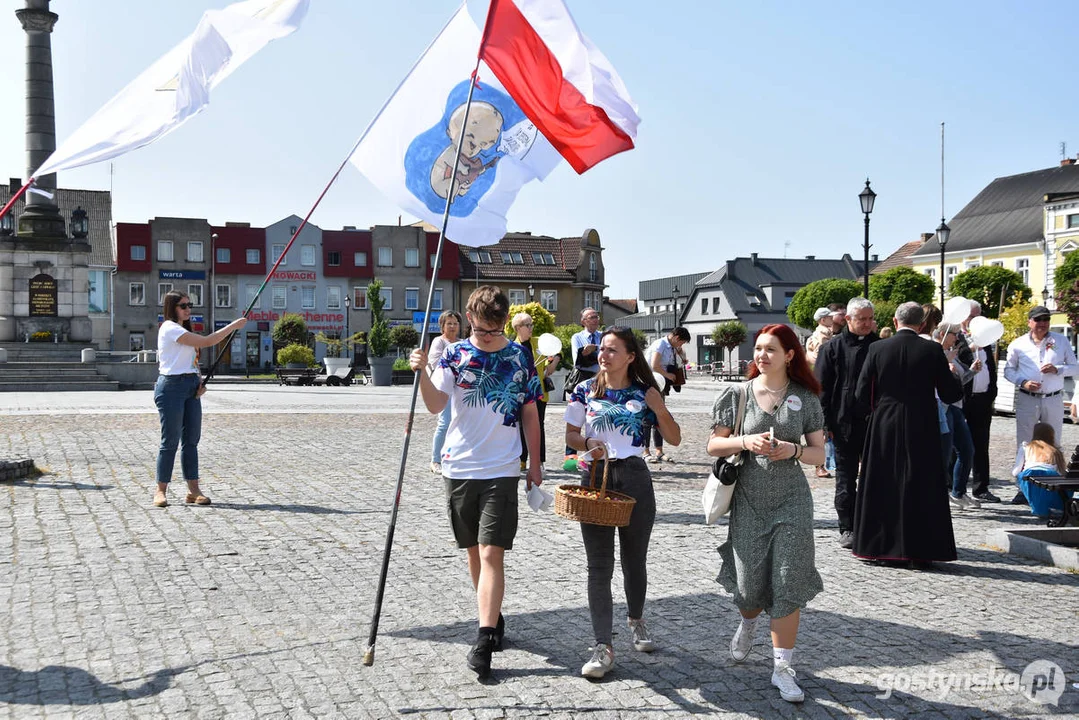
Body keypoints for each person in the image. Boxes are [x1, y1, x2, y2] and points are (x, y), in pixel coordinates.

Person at [409, 286, 542, 679]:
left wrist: (534, 464)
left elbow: (530, 413)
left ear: (504, 322)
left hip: (502, 467)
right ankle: (493, 616)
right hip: (459, 467)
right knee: (472, 550)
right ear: (470, 318)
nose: (486, 338)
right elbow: (436, 405)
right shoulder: (454, 353)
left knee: (490, 553)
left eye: (493, 331)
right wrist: (421, 374)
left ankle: (484, 639)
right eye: (481, 330)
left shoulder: (519, 356)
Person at [707, 323, 826, 704]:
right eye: (758, 348)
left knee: (788, 582)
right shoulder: (737, 393)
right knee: (748, 587)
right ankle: (747, 622)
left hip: (792, 501)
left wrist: (791, 450)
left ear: (789, 354)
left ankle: (782, 668)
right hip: (749, 501)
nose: (761, 355)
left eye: (770, 349)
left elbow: (819, 454)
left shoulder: (805, 398)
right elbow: (714, 445)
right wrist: (745, 441)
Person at [564, 327, 681, 680]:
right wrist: (588, 444)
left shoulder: (645, 392)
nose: (604, 354)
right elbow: (569, 436)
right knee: (598, 566)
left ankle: (636, 619)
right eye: (602, 349)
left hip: (634, 477)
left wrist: (659, 409)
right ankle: (603, 645)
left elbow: (674, 439)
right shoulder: (584, 390)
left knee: (634, 560)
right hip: (595, 478)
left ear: (630, 356)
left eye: (612, 350)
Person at [853, 302, 962, 566]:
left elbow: (861, 393)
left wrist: (877, 410)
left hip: (885, 422)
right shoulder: (933, 350)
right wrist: (953, 375)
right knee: (921, 484)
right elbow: (951, 393)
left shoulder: (877, 348)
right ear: (922, 324)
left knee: (883, 482)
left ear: (895, 319)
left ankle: (879, 547)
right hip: (921, 422)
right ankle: (921, 550)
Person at [153, 291, 247, 508]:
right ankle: (160, 490)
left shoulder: (184, 329)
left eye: (189, 305)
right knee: (170, 442)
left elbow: (192, 360)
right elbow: (207, 342)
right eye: (183, 305)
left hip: (189, 386)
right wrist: (232, 326)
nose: (188, 309)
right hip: (171, 387)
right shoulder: (169, 328)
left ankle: (193, 491)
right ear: (172, 307)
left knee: (191, 441)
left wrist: (199, 382)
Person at [814, 297, 878, 548]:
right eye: (862, 319)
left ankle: (872, 523)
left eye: (870, 318)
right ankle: (847, 526)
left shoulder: (880, 346)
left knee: (874, 477)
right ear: (848, 319)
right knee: (845, 478)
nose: (867, 323)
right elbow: (822, 387)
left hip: (874, 422)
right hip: (843, 423)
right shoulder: (832, 348)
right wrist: (823, 423)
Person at [1003, 305, 1078, 503]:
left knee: (1053, 441)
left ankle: (1055, 486)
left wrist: (1058, 369)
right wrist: (1023, 381)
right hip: (1028, 397)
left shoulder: (1060, 341)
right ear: (1029, 322)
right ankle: (1023, 487)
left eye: (1045, 320)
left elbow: (1075, 367)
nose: (1042, 324)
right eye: (1038, 320)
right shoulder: (1018, 344)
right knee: (1026, 442)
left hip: (1053, 397)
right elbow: (1008, 371)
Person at [956, 301, 1000, 503]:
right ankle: (953, 486)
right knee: (958, 445)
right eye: (971, 316)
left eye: (977, 316)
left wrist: (992, 392)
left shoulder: (986, 338)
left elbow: (991, 367)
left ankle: (981, 487)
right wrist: (970, 348)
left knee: (981, 444)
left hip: (982, 398)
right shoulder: (957, 337)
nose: (974, 320)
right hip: (962, 399)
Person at [933, 323, 978, 509]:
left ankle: (958, 492)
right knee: (944, 454)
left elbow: (958, 381)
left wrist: (973, 371)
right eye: (954, 334)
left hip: (955, 407)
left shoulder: (952, 353)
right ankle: (942, 494)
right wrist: (945, 363)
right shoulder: (934, 351)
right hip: (942, 407)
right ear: (943, 334)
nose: (957, 338)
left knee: (967, 450)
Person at [512, 312, 556, 470]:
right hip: (520, 393)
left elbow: (556, 352)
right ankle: (522, 460)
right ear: (518, 328)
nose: (531, 328)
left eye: (532, 324)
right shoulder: (512, 346)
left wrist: (553, 363)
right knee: (520, 427)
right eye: (528, 325)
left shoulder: (538, 342)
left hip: (539, 392)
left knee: (539, 426)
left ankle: (540, 461)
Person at [564, 307, 603, 469]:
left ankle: (594, 456)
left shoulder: (604, 337)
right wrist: (592, 354)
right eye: (591, 317)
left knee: (596, 419)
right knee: (575, 421)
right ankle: (570, 461)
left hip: (601, 380)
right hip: (583, 381)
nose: (595, 319)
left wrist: (592, 354)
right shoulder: (577, 337)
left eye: (596, 316)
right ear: (583, 321)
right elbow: (577, 361)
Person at [643, 327, 689, 463]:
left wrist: (680, 352)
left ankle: (659, 451)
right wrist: (668, 375)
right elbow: (655, 365)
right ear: (676, 338)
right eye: (681, 343)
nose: (681, 345)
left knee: (659, 416)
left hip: (660, 385)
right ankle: (645, 451)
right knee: (647, 419)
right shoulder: (660, 344)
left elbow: (682, 360)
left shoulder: (672, 347)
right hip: (650, 383)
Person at [1014, 423, 1074, 518]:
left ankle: (1039, 507)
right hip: (1051, 475)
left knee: (1023, 477)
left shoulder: (1025, 448)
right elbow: (1061, 472)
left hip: (1029, 476)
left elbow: (1015, 472)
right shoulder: (1055, 451)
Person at [428, 310, 462, 474]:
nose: (453, 326)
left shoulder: (463, 342)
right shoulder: (439, 342)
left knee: (461, 423)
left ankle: (456, 456)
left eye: (455, 323)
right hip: (445, 388)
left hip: (461, 388)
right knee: (445, 422)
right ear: (442, 325)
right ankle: (436, 459)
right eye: (449, 323)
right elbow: (435, 362)